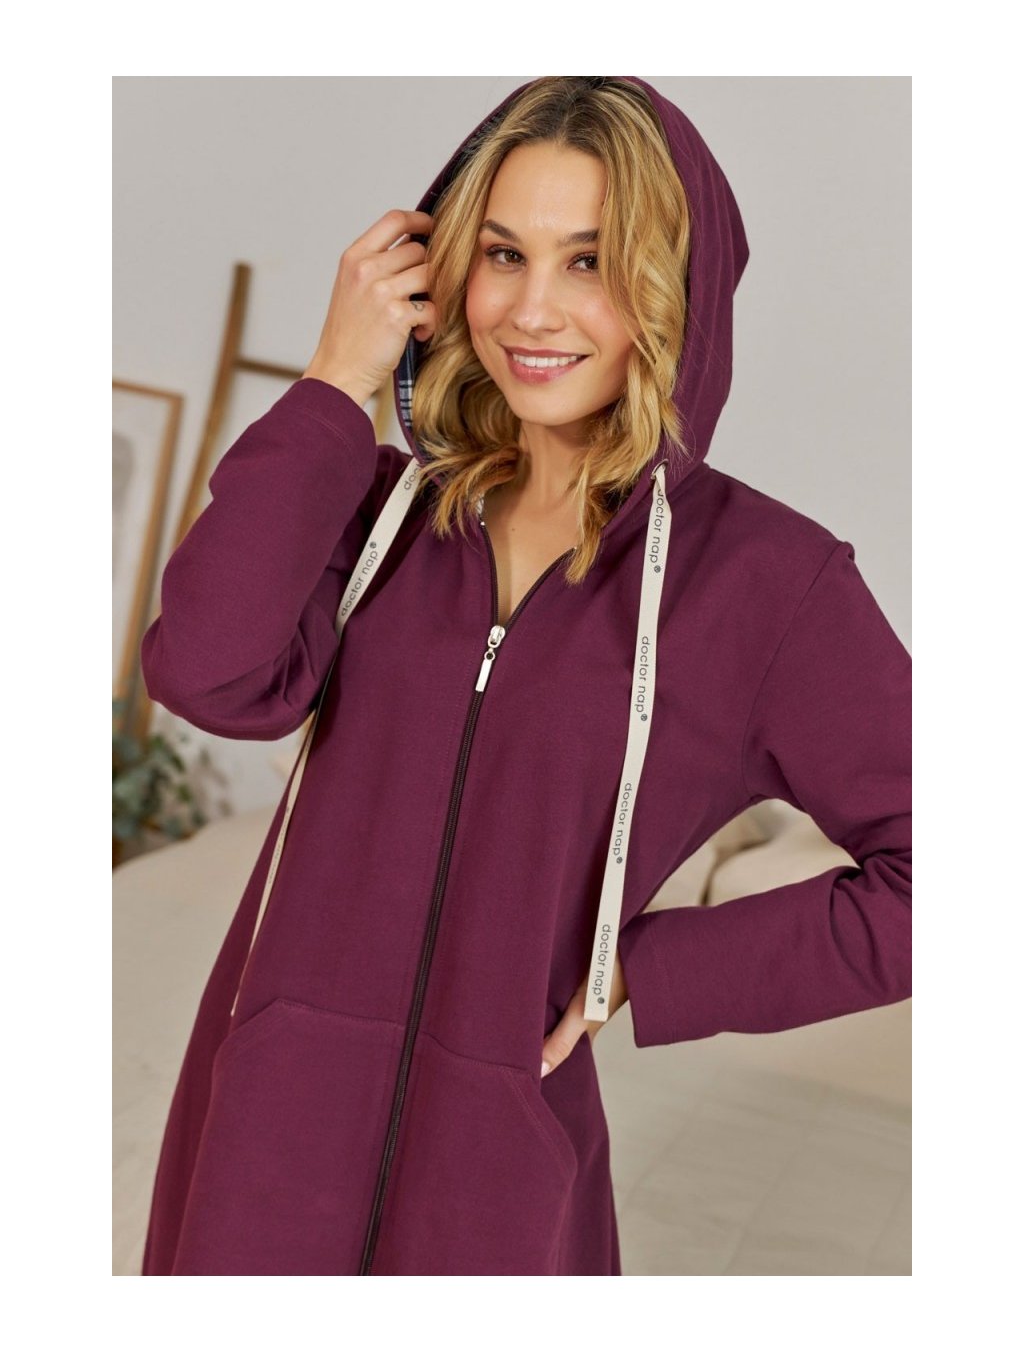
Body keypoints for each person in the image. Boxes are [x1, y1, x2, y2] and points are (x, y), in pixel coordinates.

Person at [138, 76, 911, 1277]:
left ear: (673, 287)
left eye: (588, 261)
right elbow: (206, 675)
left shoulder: (767, 584)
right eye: (503, 254)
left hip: (497, 1177)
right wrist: (333, 382)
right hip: (262, 1132)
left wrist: (651, 970)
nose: (532, 310)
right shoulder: (381, 509)